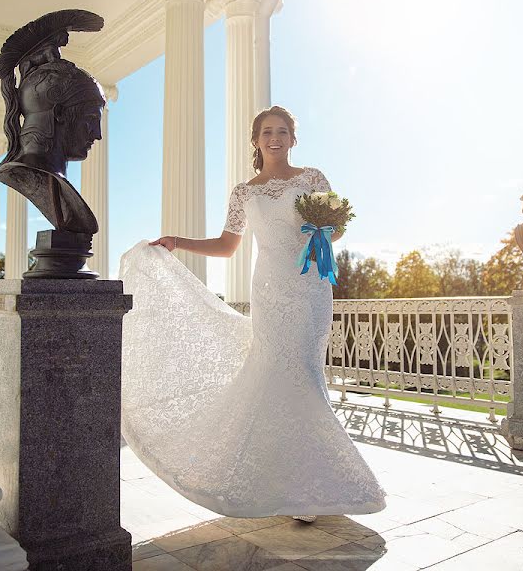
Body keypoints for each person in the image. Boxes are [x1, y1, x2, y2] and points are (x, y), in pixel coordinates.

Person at [118, 106, 386, 521]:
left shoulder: (312, 178)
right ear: (256, 140)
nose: (274, 137)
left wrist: (324, 230)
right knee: (276, 373)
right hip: (269, 290)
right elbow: (228, 245)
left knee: (304, 373)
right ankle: (289, 484)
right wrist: (177, 240)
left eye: (282, 131)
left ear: (293, 139)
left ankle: (308, 485)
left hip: (310, 285)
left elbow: (338, 227)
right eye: (266, 132)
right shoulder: (244, 192)